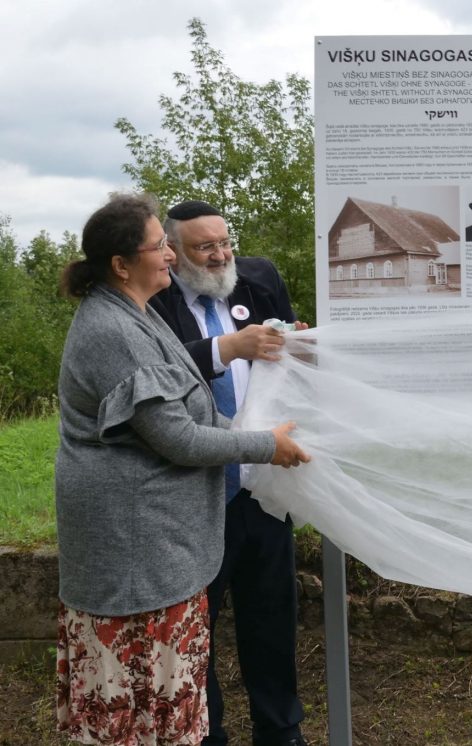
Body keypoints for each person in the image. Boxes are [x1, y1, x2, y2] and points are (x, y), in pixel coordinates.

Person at [54, 194, 309, 746]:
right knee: (140, 703)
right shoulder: (115, 330)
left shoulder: (139, 313)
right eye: (161, 246)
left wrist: (258, 434)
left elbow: (191, 405)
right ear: (122, 264)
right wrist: (265, 445)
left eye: (224, 242)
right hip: (135, 547)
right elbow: (177, 436)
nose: (170, 256)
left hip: (164, 536)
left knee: (178, 685)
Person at [150, 200, 311, 746]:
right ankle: (206, 732)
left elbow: (286, 357)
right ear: (172, 253)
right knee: (197, 626)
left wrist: (296, 342)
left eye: (225, 242)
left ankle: (281, 730)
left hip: (263, 483)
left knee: (272, 618)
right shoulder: (153, 299)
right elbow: (157, 371)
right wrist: (228, 348)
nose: (221, 255)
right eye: (205, 247)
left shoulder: (258, 279)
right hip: (195, 493)